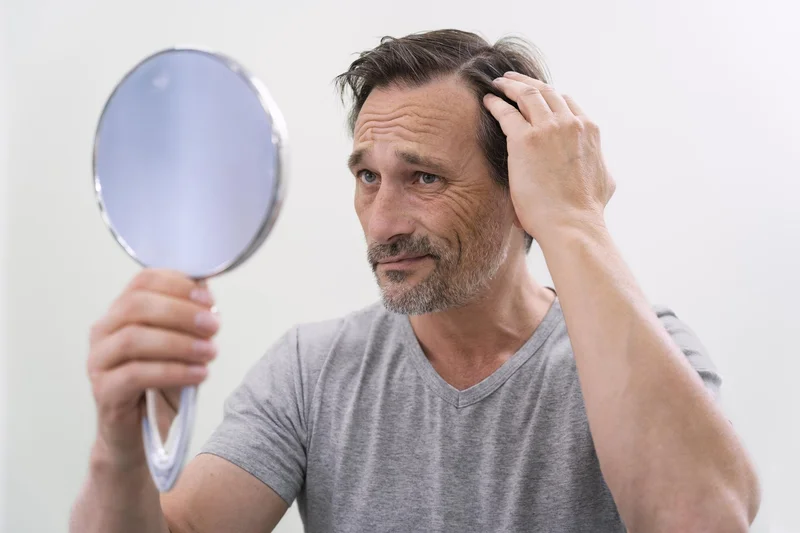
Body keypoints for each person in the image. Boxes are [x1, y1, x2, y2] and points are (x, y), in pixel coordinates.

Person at [69, 29, 761, 533]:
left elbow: (701, 518)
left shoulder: (644, 349)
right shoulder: (312, 370)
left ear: (520, 188)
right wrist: (117, 449)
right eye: (368, 176)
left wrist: (575, 218)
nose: (382, 223)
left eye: (424, 177)